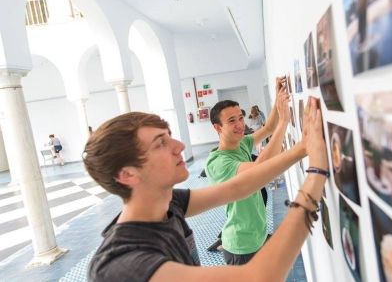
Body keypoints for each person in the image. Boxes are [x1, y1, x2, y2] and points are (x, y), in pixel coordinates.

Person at [83, 98, 328, 281]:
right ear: (127, 175)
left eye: (170, 137)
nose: (179, 146)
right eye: (161, 143)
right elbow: (258, 276)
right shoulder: (124, 265)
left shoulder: (169, 204)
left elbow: (237, 188)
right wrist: (316, 172)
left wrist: (302, 148)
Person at [205, 77, 290, 265]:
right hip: (241, 245)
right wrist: (284, 121)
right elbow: (261, 169)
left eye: (241, 118)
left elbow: (268, 127)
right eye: (232, 121)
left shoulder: (241, 143)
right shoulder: (218, 162)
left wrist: (277, 99)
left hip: (257, 235)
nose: (240, 124)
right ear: (217, 127)